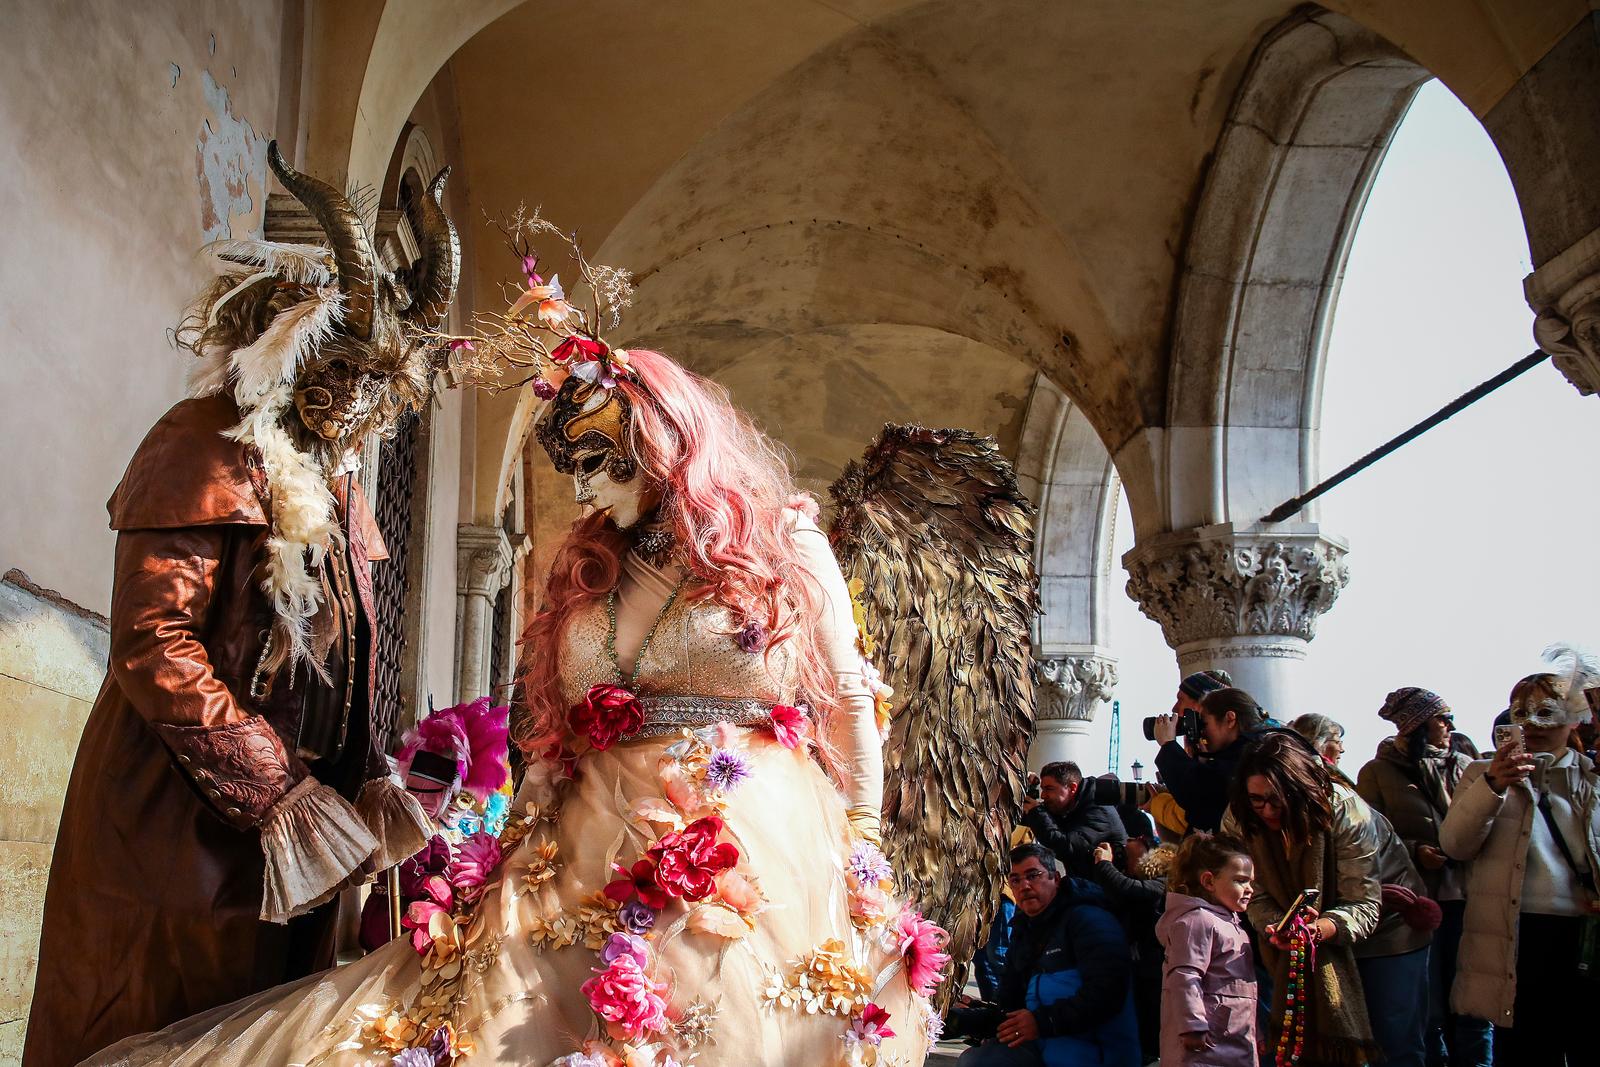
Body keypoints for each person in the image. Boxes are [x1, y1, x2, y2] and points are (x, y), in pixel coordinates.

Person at [80, 334, 943, 1060]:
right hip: (580, 838)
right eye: (569, 468)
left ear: (661, 439)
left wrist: (859, 849)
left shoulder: (779, 537)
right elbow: (554, 728)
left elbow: (846, 698)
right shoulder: (592, 563)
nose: (585, 493)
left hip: (758, 844)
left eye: (600, 464)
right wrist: (507, 831)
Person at [23, 144, 458, 1067]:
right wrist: (272, 791)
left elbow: (347, 645)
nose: (354, 402)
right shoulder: (205, 442)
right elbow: (155, 639)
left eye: (377, 385)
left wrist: (362, 776)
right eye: (338, 372)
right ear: (287, 348)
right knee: (161, 1033)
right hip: (181, 834)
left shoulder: (336, 482)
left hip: (292, 843)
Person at [1226, 731, 1433, 1067]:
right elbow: (1255, 895)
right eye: (1257, 800)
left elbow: (1364, 903)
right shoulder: (1239, 817)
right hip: (1303, 939)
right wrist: (1274, 927)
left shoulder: (1344, 809)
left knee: (1393, 1045)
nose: (1267, 810)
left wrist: (1315, 930)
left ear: (1300, 791)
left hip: (1388, 933)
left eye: (1276, 800)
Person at [1440, 644, 1600, 1066]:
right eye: (1518, 712)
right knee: (1525, 1049)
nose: (1529, 724)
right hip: (1513, 935)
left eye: (1545, 713)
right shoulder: (1481, 773)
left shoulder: (1590, 779)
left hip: (1584, 935)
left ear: (1573, 720)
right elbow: (1455, 845)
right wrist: (1492, 787)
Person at [1355, 687, 1489, 1067]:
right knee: (1426, 1000)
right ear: (1416, 725)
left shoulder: (1466, 764)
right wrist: (1415, 850)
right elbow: (1373, 832)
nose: (1448, 726)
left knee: (1472, 996)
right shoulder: (1378, 772)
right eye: (1439, 718)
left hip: (1469, 891)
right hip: (1419, 898)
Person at [957, 843, 1141, 1067]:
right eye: (1015, 880)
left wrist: (1043, 1022)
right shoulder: (1024, 928)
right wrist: (962, 1020)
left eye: (1033, 875)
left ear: (1055, 878)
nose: (1024, 885)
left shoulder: (1090, 920)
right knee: (977, 1061)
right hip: (1045, 1046)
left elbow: (1108, 993)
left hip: (1096, 1051)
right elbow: (1010, 1004)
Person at [1155, 832, 1257, 1066]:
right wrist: (1193, 1025)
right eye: (1241, 880)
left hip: (1233, 1041)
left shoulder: (1231, 923)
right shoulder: (1197, 921)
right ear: (1209, 881)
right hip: (1205, 1046)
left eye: (1251, 881)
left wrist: (1254, 1033)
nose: (1250, 889)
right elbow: (1184, 976)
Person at [1089, 836, 1172, 1062]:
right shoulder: (1130, 879)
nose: (1124, 855)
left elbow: (1128, 890)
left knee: (1154, 1034)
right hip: (1137, 971)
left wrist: (1105, 865)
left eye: (1128, 852)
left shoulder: (1165, 881)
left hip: (1158, 975)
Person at [1155, 686, 1269, 833]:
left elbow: (1198, 795)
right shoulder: (1255, 746)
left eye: (1204, 723)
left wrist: (1168, 745)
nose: (1202, 731)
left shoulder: (1250, 756)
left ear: (1230, 719)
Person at [1022, 761, 1127, 875]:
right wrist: (1024, 787)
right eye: (1043, 789)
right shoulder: (1071, 806)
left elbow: (1068, 848)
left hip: (1103, 889)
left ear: (1072, 787)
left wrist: (1036, 813)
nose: (1043, 795)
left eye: (1049, 789)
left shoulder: (1098, 810)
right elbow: (1038, 820)